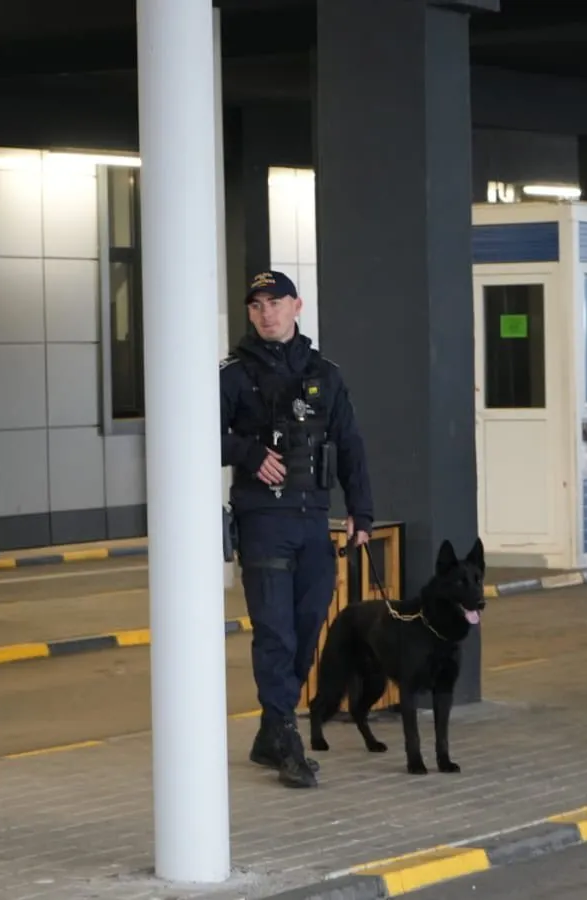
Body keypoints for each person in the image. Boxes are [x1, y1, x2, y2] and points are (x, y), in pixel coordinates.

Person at [220, 270, 374, 789]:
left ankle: (270, 731)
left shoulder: (325, 373)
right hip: (263, 519)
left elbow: (350, 443)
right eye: (257, 305)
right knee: (275, 633)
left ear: (297, 306)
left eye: (276, 303)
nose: (267, 313)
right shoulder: (232, 374)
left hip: (313, 520)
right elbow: (193, 432)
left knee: (308, 628)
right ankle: (287, 739)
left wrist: (362, 512)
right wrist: (246, 451)